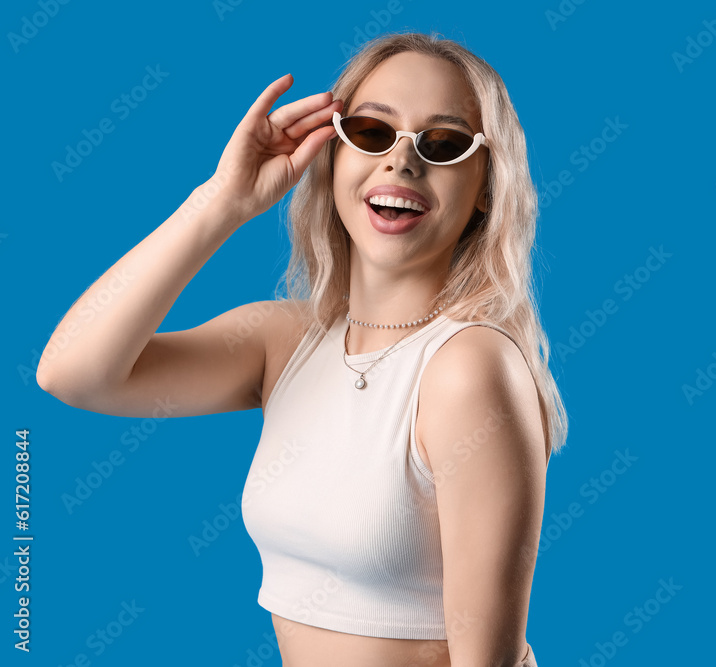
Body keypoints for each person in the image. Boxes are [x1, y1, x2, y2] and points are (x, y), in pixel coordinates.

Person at [37, 31, 567, 667]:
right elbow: (73, 374)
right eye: (372, 132)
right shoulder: (284, 342)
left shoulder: (468, 367)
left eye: (445, 143)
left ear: (486, 184)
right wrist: (221, 203)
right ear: (333, 155)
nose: (403, 162)